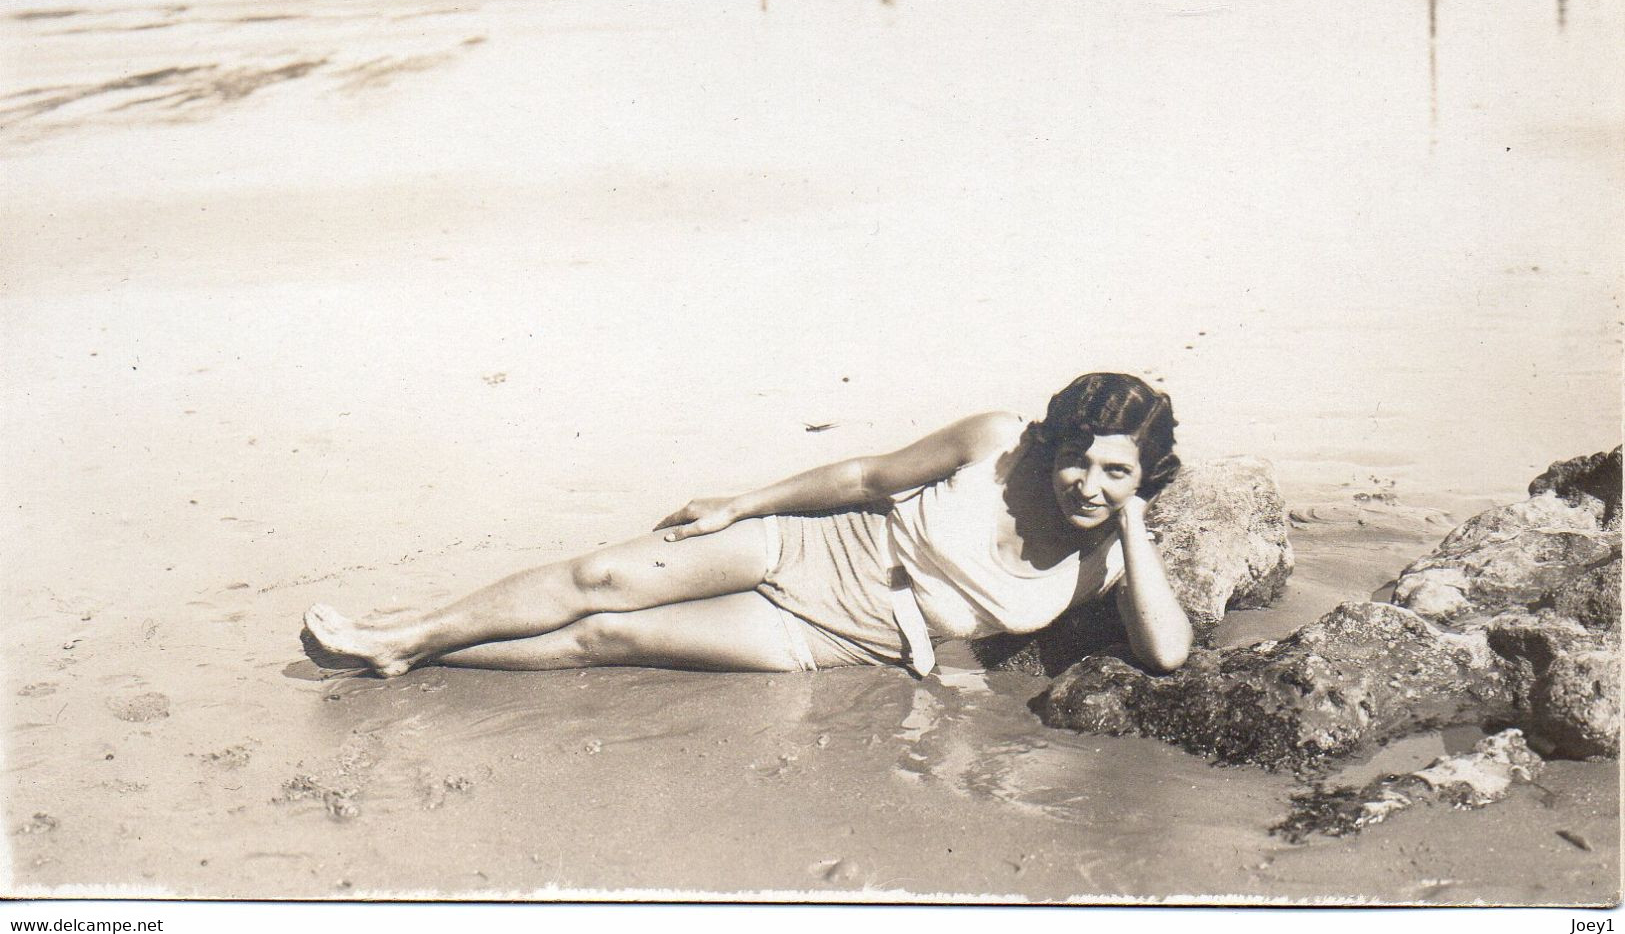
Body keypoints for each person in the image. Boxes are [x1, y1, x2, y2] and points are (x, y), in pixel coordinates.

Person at [302, 372, 1194, 679]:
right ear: (1051, 444)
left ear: (1140, 477)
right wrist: (741, 503)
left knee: (607, 639)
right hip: (816, 544)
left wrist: (1135, 525)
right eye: (1076, 458)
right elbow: (864, 475)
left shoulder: (1115, 556)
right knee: (598, 579)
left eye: (1114, 469)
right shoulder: (997, 442)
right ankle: (408, 630)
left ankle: (409, 653)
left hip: (846, 638)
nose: (1085, 481)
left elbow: (1166, 654)